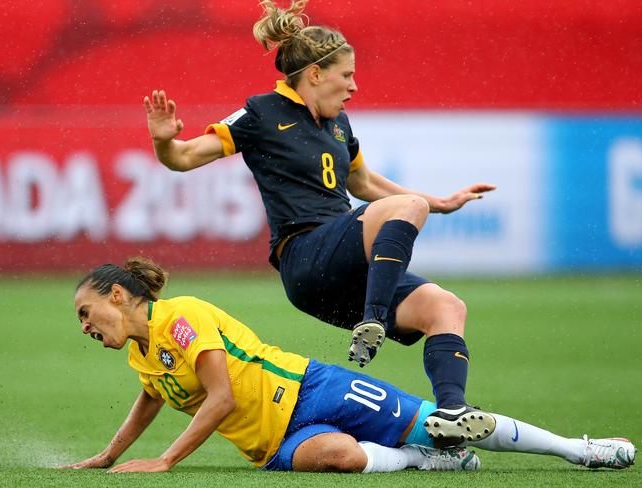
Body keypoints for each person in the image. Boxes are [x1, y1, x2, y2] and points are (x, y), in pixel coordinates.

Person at [143, 0, 497, 436]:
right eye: (346, 75)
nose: (353, 86)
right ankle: (374, 319)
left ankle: (452, 414)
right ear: (315, 74)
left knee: (447, 306)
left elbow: (364, 184)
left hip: (344, 269)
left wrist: (440, 202)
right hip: (306, 256)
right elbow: (183, 157)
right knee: (409, 209)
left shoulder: (338, 125)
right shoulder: (260, 113)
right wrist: (164, 143)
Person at [61, 258, 636, 473]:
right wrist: (109, 456)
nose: (85, 326)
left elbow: (222, 398)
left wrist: (162, 461)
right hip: (272, 446)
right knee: (336, 456)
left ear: (117, 294)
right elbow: (153, 395)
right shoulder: (142, 352)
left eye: (87, 311)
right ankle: (429, 463)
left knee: (446, 420)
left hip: (312, 391)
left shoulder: (180, 317)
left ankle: (577, 448)